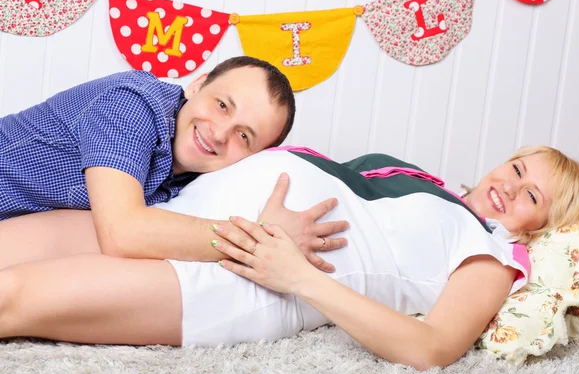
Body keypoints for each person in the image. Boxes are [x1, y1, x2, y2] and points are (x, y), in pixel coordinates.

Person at [0, 145, 579, 370]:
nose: (509, 188)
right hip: (185, 219)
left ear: (547, 226)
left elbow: (433, 347)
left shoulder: (493, 254)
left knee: (14, 299)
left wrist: (298, 277)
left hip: (247, 280)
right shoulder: (420, 176)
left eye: (531, 197)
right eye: (517, 169)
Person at [0, 56, 348, 270]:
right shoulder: (132, 102)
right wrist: (265, 241)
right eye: (222, 105)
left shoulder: (197, 181)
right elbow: (123, 233)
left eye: (244, 137)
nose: (219, 133)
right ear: (197, 85)